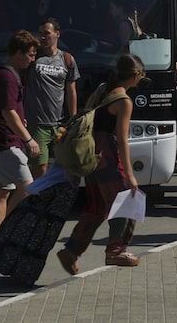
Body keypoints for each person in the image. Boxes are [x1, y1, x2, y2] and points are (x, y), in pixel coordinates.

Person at [56, 54, 145, 274]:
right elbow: (122, 139)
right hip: (108, 158)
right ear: (135, 75)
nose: (141, 80)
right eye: (141, 76)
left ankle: (71, 250)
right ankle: (116, 250)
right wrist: (130, 174)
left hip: (92, 158)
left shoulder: (104, 90)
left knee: (97, 207)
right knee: (128, 200)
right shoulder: (124, 101)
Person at [0, 30, 41, 236]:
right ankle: (7, 232)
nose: (32, 60)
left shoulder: (5, 73)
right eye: (30, 55)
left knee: (1, 193)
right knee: (28, 188)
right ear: (17, 52)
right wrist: (28, 138)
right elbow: (8, 112)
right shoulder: (6, 76)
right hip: (5, 142)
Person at [25, 17, 80, 179]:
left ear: (57, 34)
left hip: (60, 124)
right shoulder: (33, 57)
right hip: (37, 125)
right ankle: (39, 200)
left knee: (61, 166)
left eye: (47, 33)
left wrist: (73, 119)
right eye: (40, 33)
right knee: (39, 168)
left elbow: (71, 91)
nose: (42, 37)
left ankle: (53, 200)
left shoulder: (67, 59)